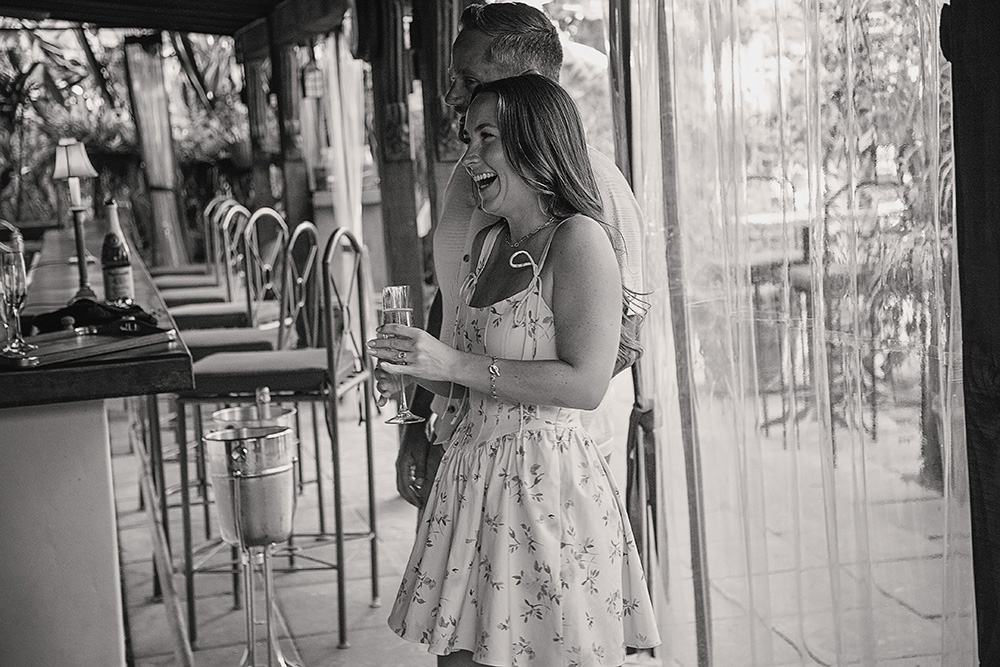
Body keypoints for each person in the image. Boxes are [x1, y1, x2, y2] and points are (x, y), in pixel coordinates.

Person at [368, 73, 659, 667]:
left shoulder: (580, 242)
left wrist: (450, 359)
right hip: (473, 484)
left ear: (533, 142)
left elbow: (585, 382)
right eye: (468, 136)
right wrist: (419, 370)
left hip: (544, 489)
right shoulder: (488, 243)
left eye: (486, 137)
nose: (469, 154)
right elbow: (469, 382)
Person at [393, 1, 646, 512]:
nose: (452, 95)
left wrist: (493, 406)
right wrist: (427, 412)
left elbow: (620, 344)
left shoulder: (591, 192)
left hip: (551, 468)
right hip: (470, 445)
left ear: (527, 84)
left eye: (468, 79)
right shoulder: (475, 177)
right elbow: (459, 299)